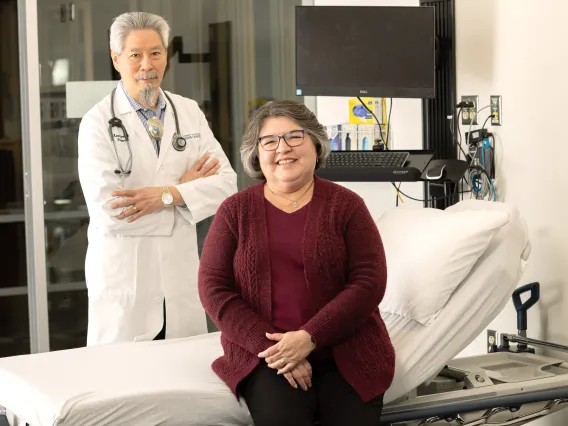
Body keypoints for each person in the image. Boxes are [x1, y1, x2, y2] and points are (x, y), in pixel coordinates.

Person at [198, 100, 395, 425]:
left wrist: (310, 337)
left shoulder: (347, 206)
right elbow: (213, 289)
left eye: (294, 137)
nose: (282, 148)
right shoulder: (235, 211)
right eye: (270, 141)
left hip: (347, 352)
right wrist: (275, 349)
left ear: (315, 144)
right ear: (257, 154)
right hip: (266, 358)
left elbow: (369, 282)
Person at [78, 12, 237, 346]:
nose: (146, 64)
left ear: (166, 55)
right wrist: (189, 191)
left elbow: (226, 187)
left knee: (182, 380)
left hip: (179, 278)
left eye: (156, 52)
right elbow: (112, 212)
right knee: (122, 385)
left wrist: (165, 195)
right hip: (127, 284)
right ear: (116, 59)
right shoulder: (97, 123)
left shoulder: (189, 112)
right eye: (135, 54)